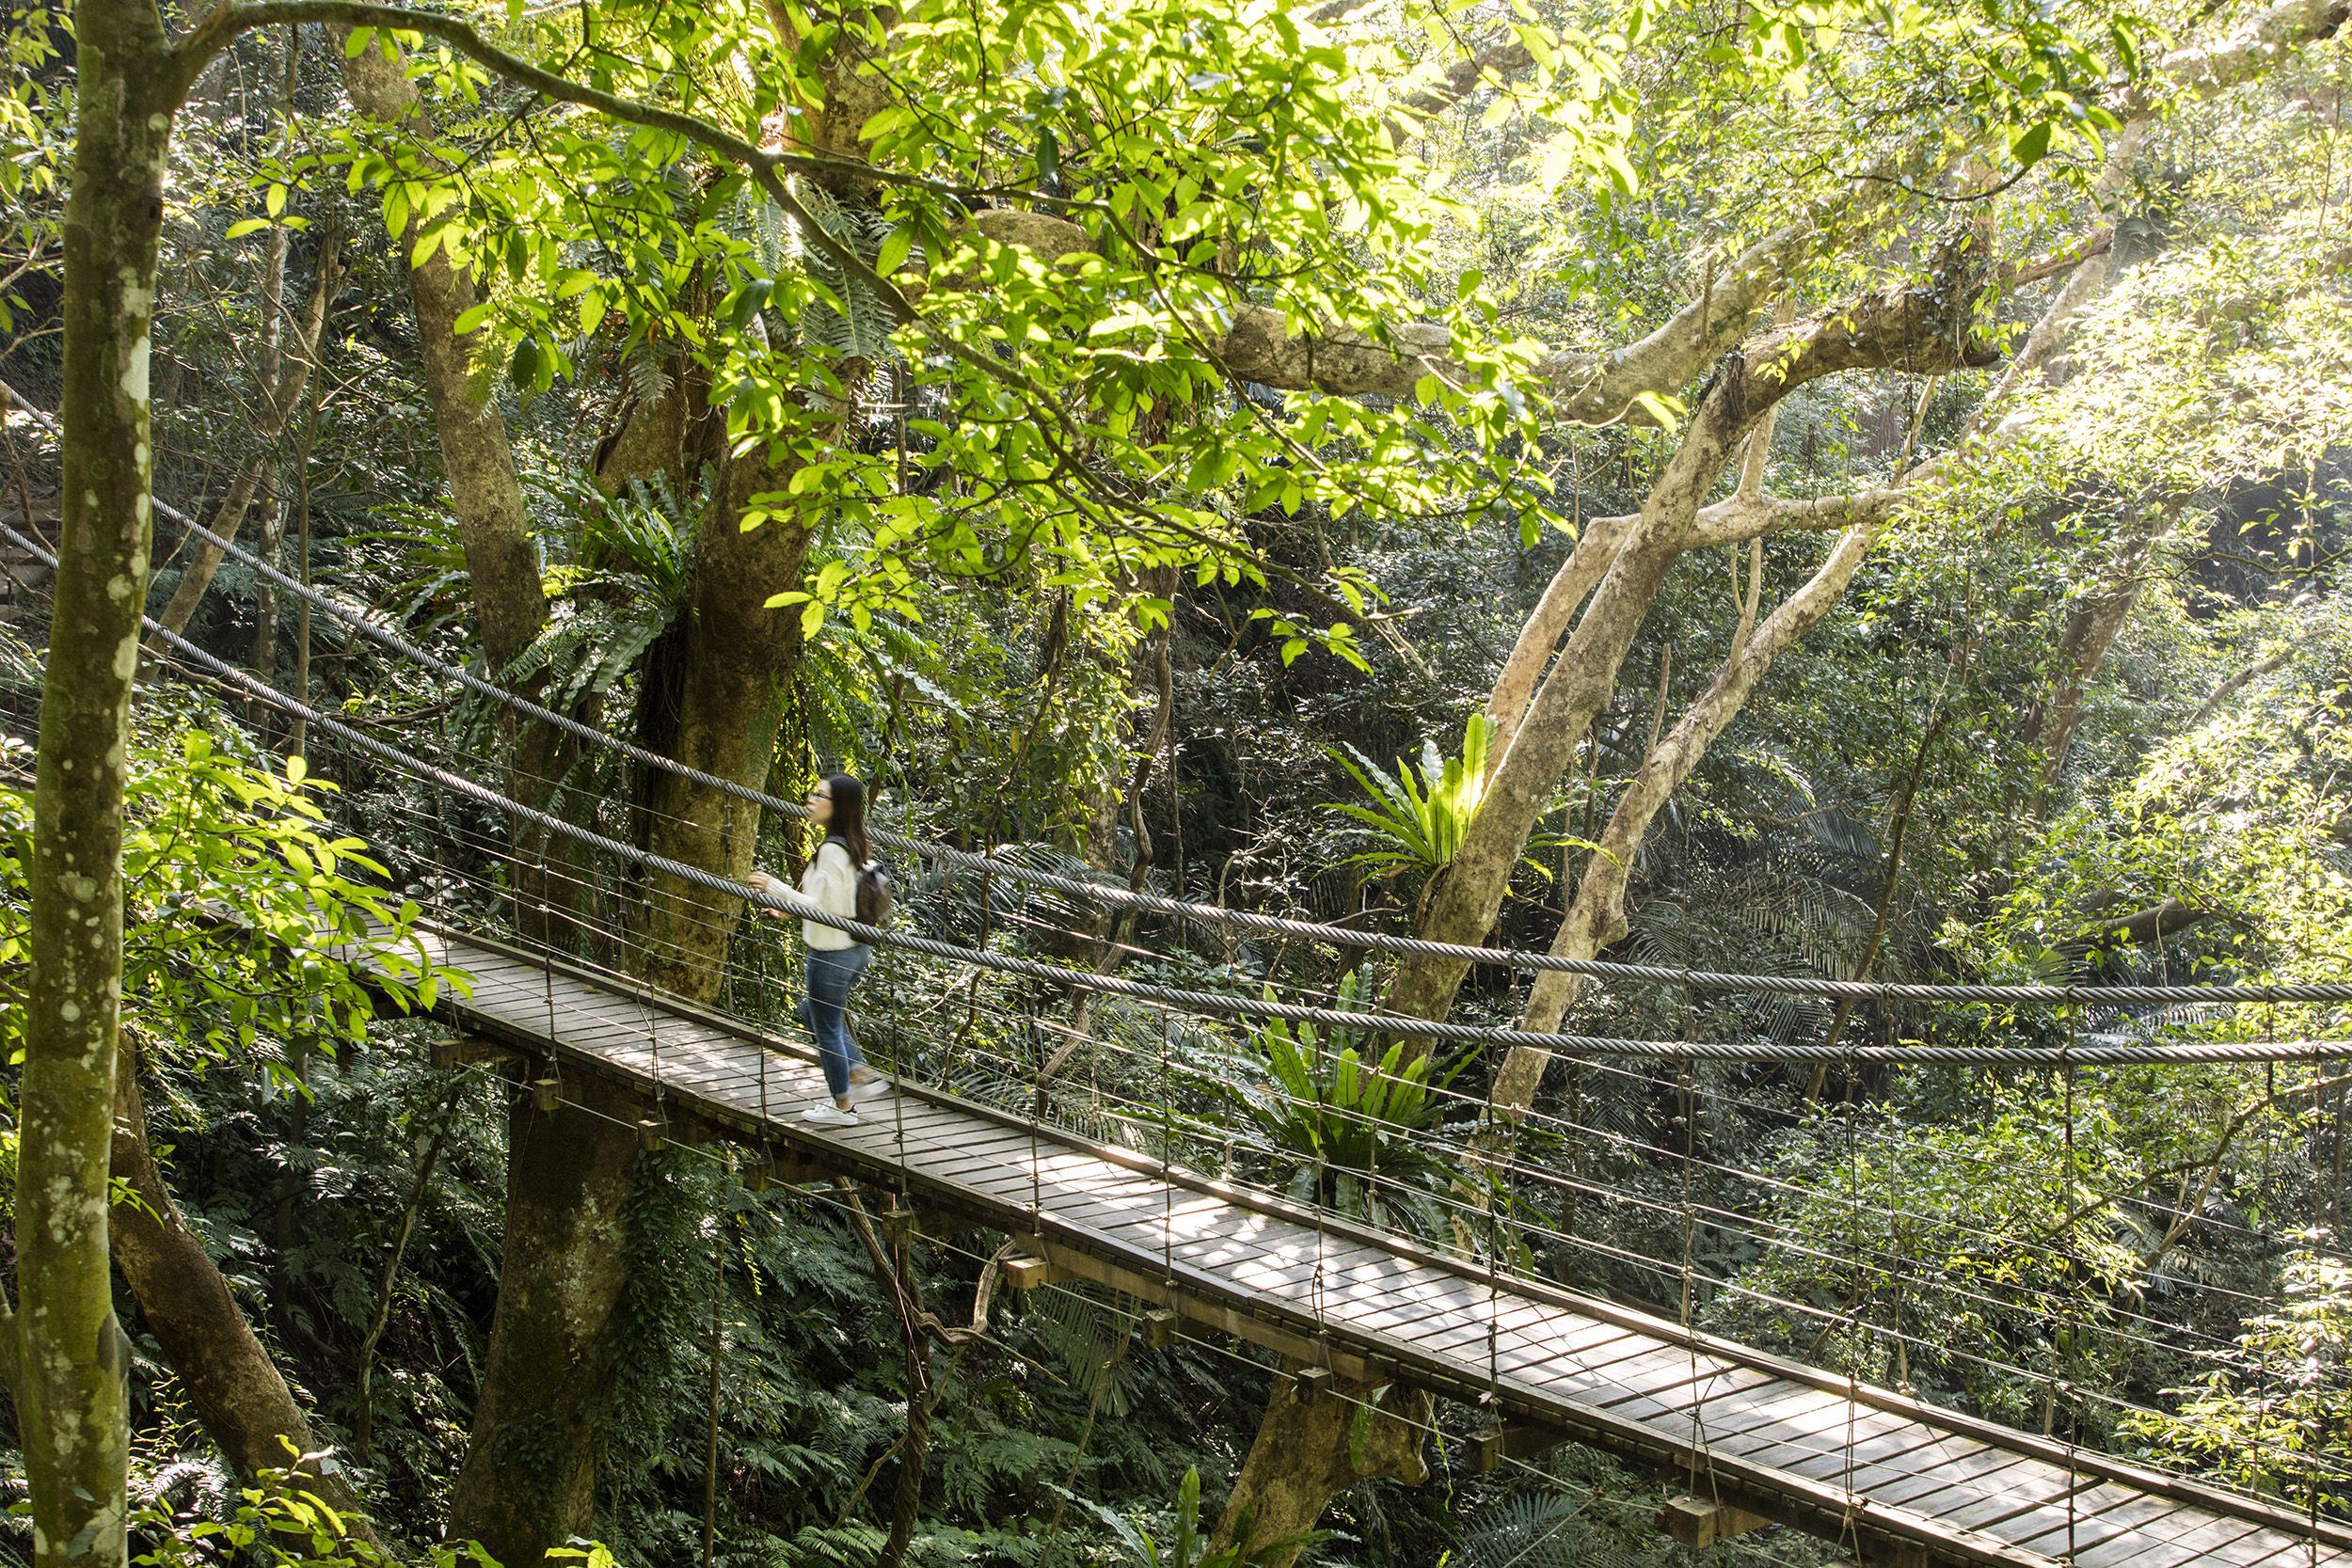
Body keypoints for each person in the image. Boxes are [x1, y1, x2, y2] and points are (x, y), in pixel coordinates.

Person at [755, 772, 891, 1124]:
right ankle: (857, 1070)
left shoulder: (832, 849)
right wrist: (789, 907)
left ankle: (842, 1107)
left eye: (820, 796)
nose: (811, 800)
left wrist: (774, 887)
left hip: (831, 953)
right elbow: (837, 898)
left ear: (838, 806)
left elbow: (824, 908)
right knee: (811, 1011)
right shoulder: (852, 842)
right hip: (854, 950)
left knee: (827, 1028)